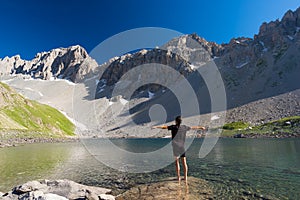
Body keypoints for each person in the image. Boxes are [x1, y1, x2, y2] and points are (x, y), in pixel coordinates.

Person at [152, 116, 205, 185]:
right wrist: (201, 127)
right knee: (184, 162)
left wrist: (156, 127)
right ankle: (185, 177)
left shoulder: (173, 127)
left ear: (176, 121)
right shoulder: (184, 127)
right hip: (182, 147)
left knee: (177, 162)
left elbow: (164, 127)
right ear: (181, 121)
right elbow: (192, 128)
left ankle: (178, 177)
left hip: (175, 147)